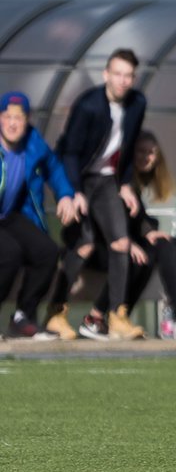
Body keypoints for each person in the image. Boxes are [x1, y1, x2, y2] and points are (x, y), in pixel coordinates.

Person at [78, 129, 176, 341]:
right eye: (141, 151)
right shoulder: (117, 182)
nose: (146, 157)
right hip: (116, 247)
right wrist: (136, 239)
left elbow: (141, 220)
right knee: (161, 248)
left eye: (151, 152)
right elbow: (110, 219)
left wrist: (150, 231)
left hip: (147, 242)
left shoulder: (147, 183)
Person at [47, 48, 148, 341]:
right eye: (117, 74)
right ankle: (56, 312)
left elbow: (127, 149)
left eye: (128, 75)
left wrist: (126, 184)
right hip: (76, 176)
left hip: (105, 180)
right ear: (106, 74)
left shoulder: (138, 103)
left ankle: (117, 315)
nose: (122, 81)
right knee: (86, 244)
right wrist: (73, 191)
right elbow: (70, 153)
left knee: (121, 242)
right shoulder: (89, 105)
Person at [0, 92, 85, 338]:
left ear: (27, 121)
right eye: (7, 117)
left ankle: (22, 318)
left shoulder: (33, 142)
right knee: (9, 253)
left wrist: (66, 195)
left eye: (19, 117)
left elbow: (54, 167)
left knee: (47, 251)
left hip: (10, 215)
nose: (13, 123)